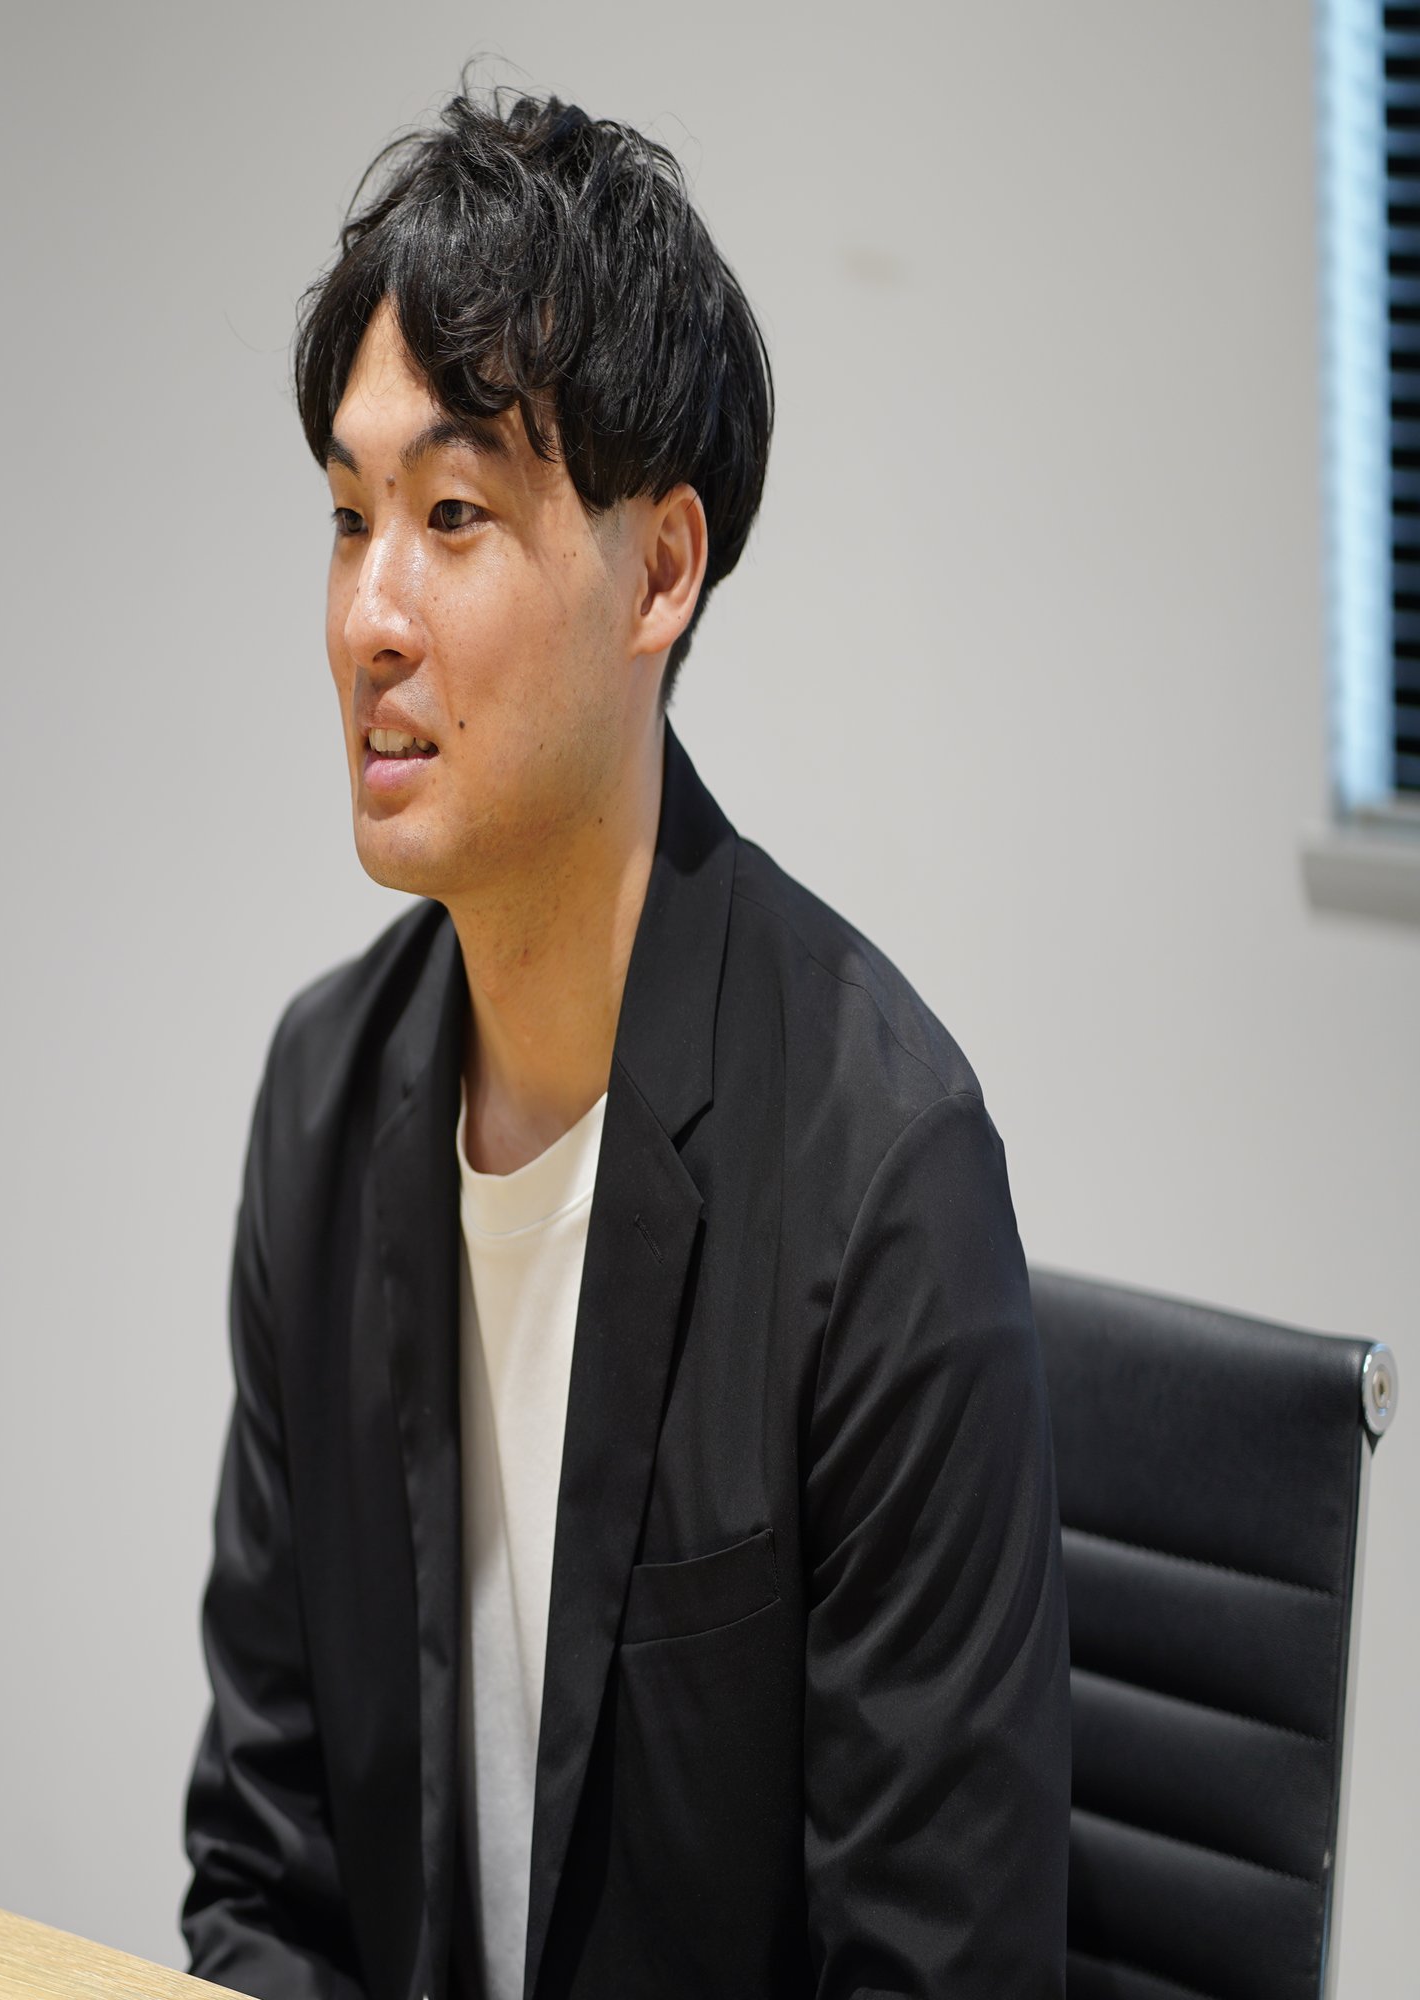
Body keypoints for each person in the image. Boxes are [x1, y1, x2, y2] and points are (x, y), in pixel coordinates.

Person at [181, 82, 1069, 2000]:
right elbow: (262, 1873)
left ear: (661, 571)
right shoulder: (323, 1105)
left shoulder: (881, 1181)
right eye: (346, 518)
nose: (368, 619)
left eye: (451, 517)